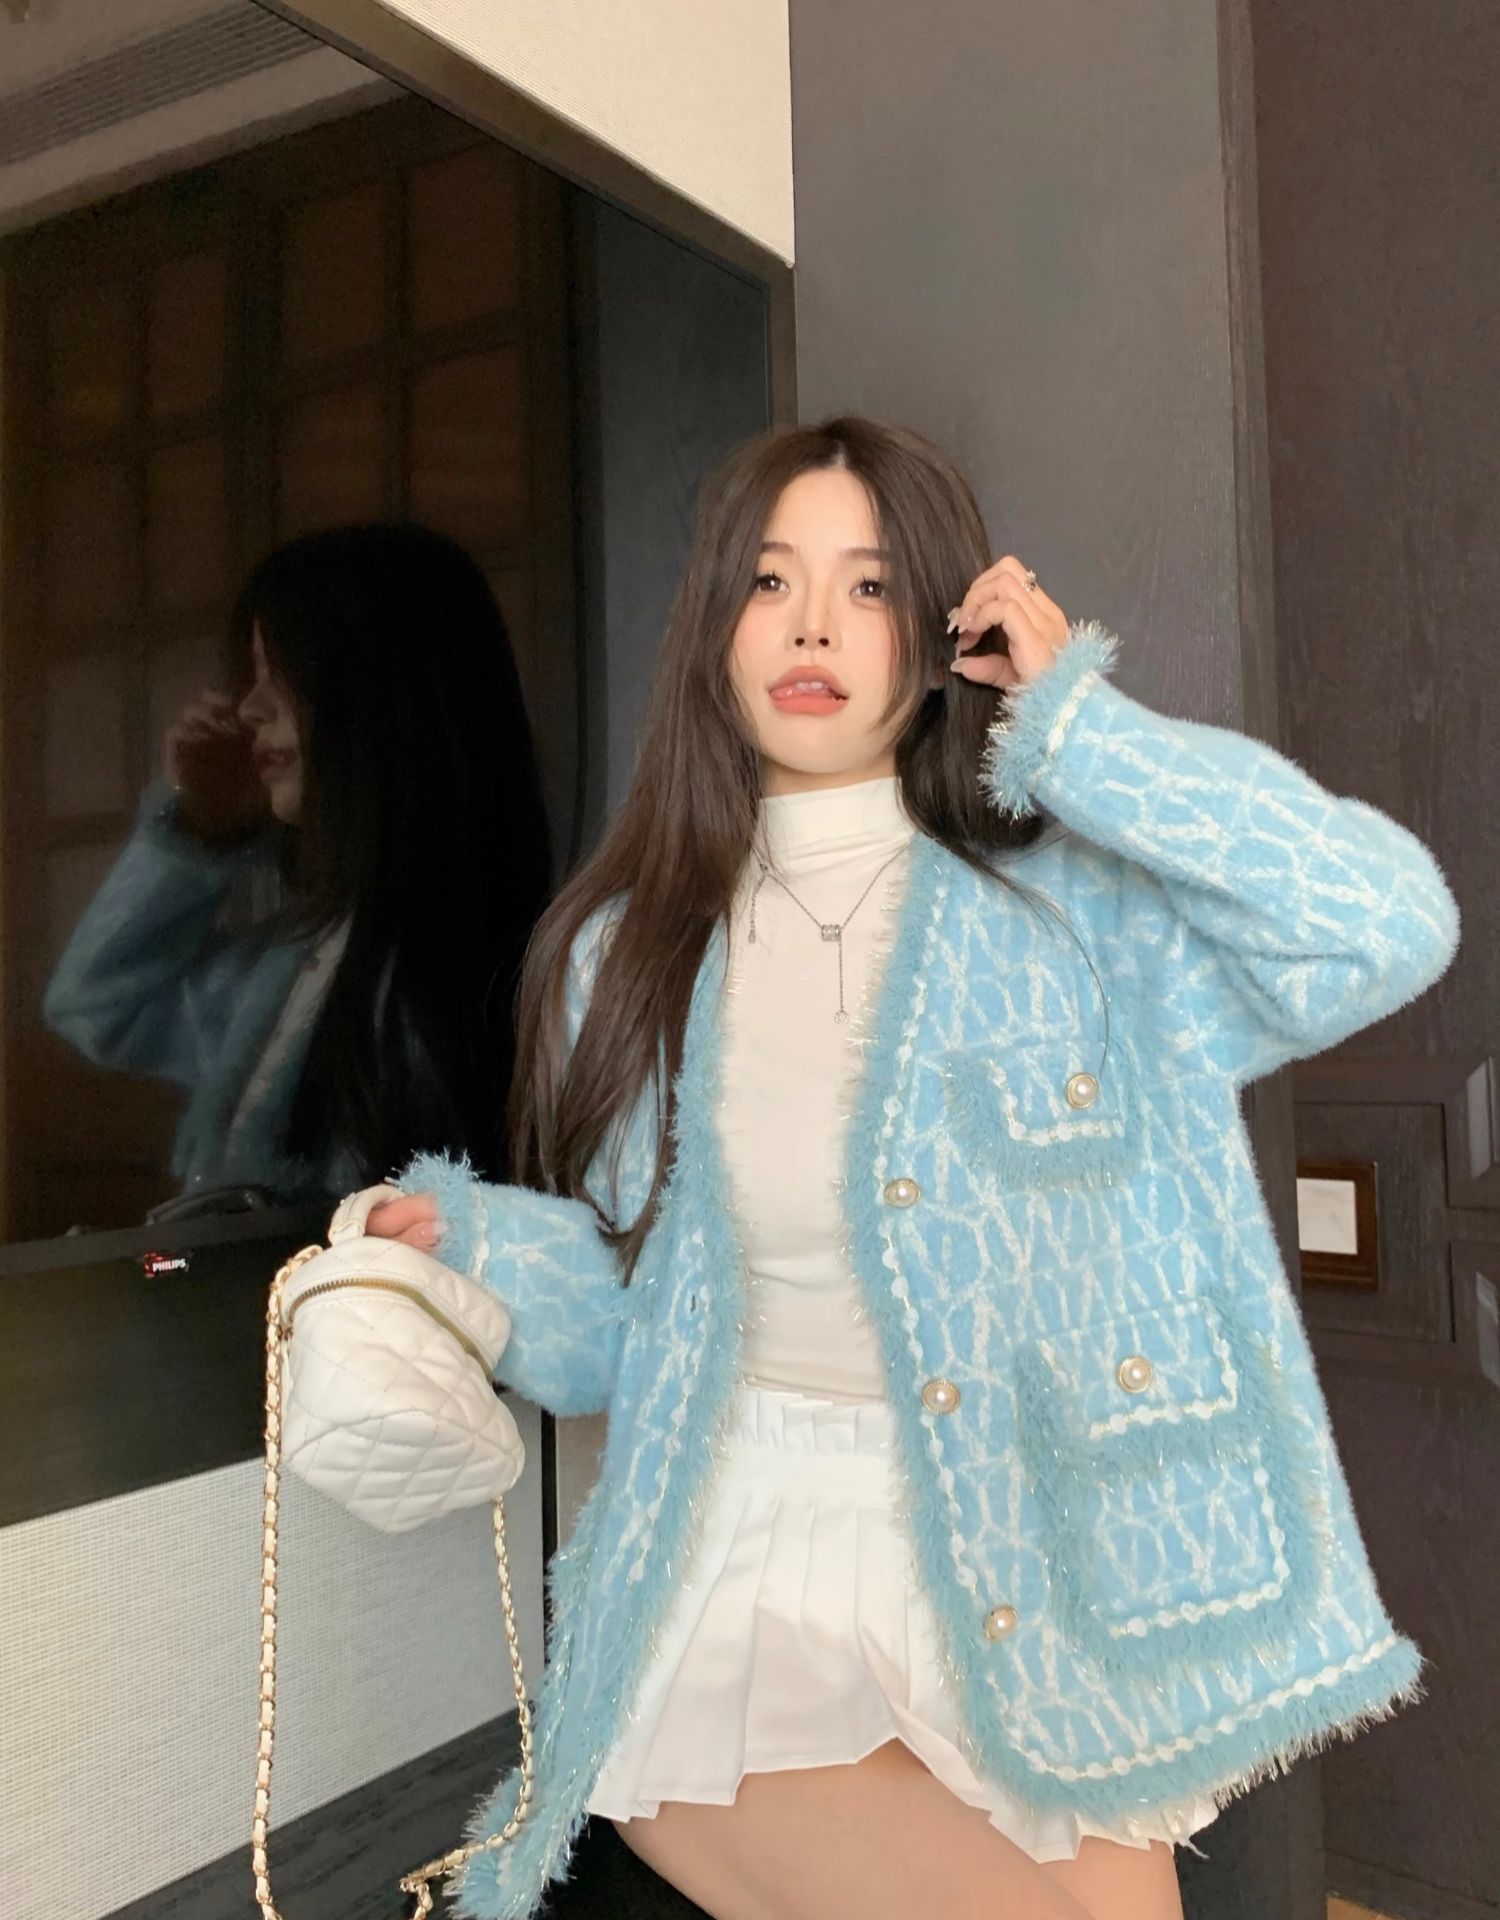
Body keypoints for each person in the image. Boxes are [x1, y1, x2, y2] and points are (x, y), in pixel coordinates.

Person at [364, 418, 1458, 1920]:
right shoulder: (631, 949)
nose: (813, 625)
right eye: (770, 581)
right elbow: (629, 1313)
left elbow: (1384, 923)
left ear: (945, 633)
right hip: (739, 1559)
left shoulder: (1067, 916)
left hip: (1029, 1558)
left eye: (870, 586)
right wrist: (469, 1249)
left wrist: (1082, 730)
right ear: (715, 626)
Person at [45, 523, 550, 1215]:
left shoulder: (505, 977)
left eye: (278, 673)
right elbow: (94, 1005)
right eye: (250, 676)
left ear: (378, 690)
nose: (250, 707)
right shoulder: (293, 964)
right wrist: (199, 829)